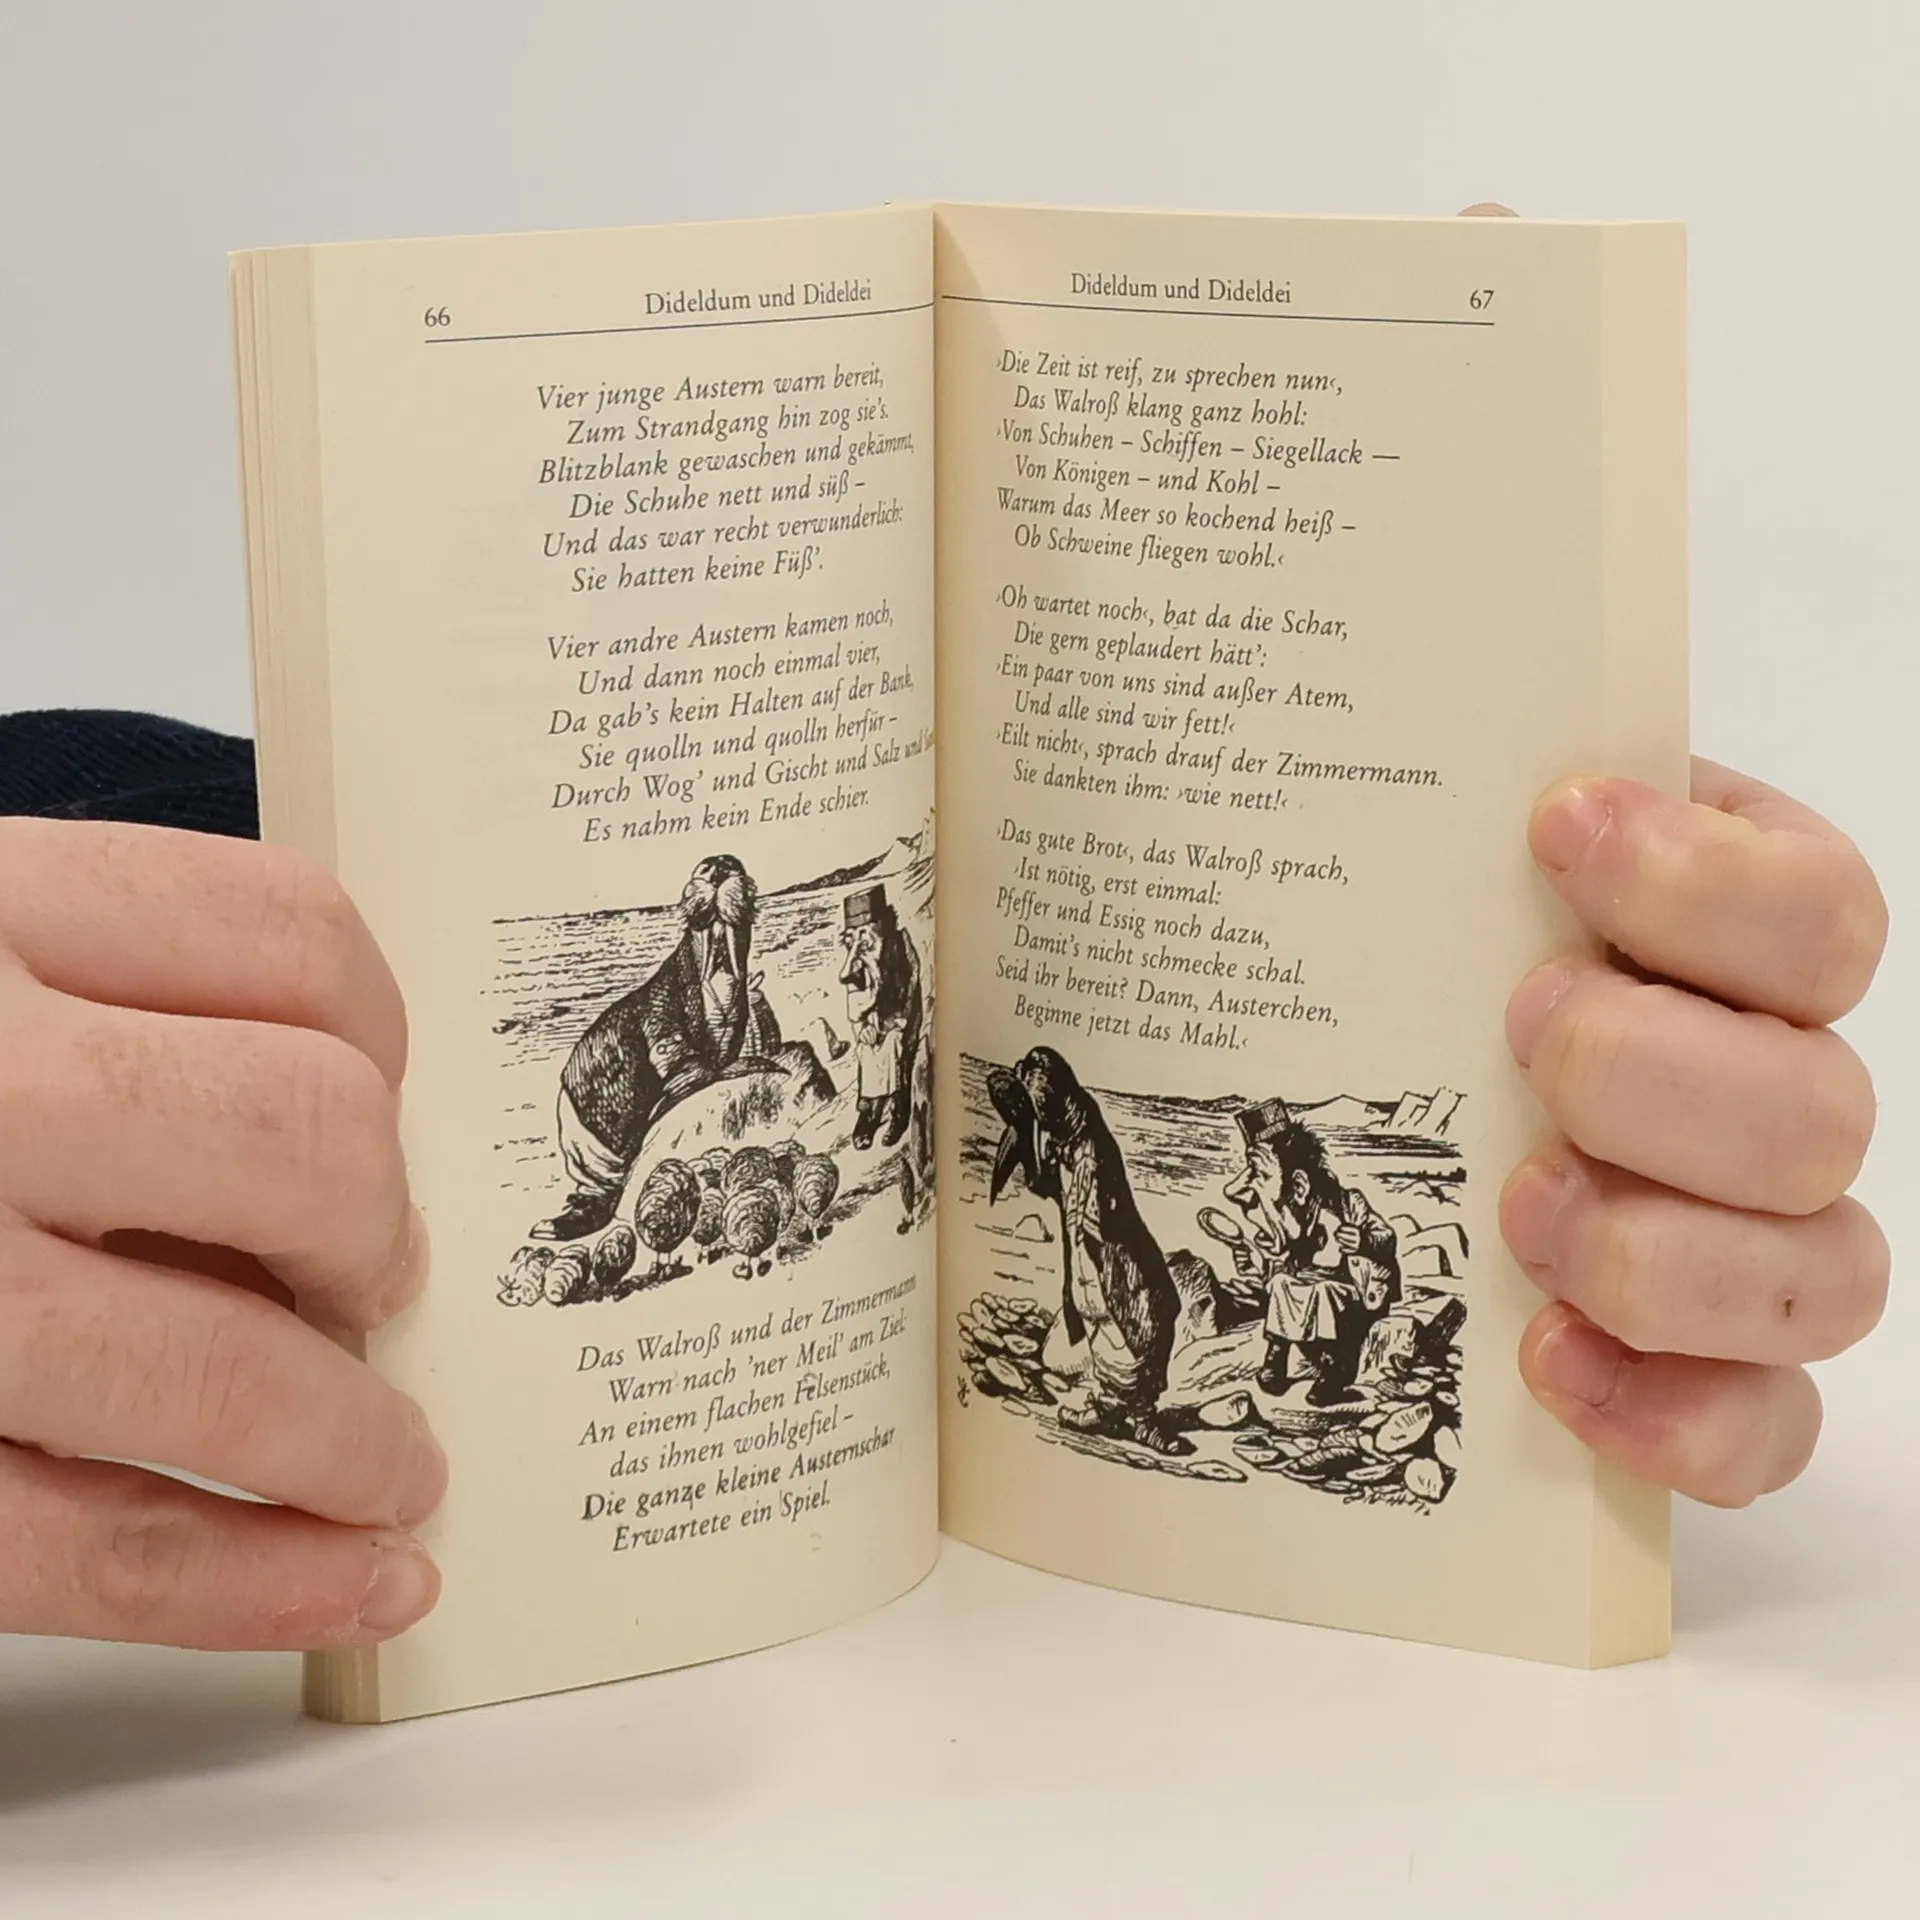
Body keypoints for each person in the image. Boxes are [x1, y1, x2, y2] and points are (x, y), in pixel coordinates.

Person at [1222, 1097, 1402, 1407]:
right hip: (1305, 1284)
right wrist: (1255, 1169)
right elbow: (1233, 1192)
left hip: (1350, 1293)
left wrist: (1362, 1240)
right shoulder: (1284, 1211)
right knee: (1281, 1284)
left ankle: (1335, 1372)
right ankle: (1276, 1359)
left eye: (1263, 1175)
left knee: (1323, 1292)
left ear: (1300, 1184)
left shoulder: (1347, 1202)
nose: (1257, 1184)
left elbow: (1386, 1237)